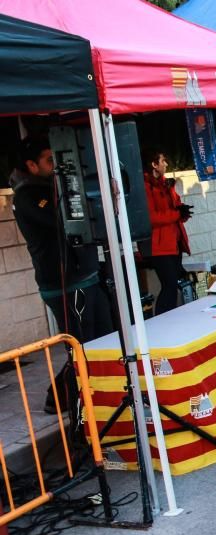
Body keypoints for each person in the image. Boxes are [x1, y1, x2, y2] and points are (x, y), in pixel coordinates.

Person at [11, 136, 113, 413]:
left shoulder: (55, 187)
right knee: (81, 346)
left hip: (87, 274)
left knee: (104, 339)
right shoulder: (27, 196)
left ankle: (97, 396)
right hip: (63, 283)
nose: (55, 165)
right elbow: (65, 221)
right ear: (32, 165)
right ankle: (59, 398)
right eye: (48, 160)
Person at [142, 148, 192, 314]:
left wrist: (182, 211)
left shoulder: (166, 184)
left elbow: (175, 207)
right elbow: (152, 218)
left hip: (173, 242)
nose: (166, 164)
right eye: (163, 161)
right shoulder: (146, 187)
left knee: (173, 285)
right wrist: (177, 213)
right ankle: (162, 321)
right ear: (154, 164)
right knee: (169, 285)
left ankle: (171, 319)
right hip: (158, 247)